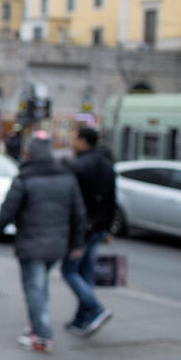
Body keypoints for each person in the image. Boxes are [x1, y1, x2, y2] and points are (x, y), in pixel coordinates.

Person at [0, 132, 86, 354]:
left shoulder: (24, 178)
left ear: (28, 153)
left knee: (35, 289)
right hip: (58, 245)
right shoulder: (66, 176)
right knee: (40, 288)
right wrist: (77, 244)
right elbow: (78, 213)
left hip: (31, 244)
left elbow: (7, 211)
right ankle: (37, 326)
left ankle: (41, 336)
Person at [62, 127, 116, 337]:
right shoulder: (107, 165)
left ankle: (95, 309)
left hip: (81, 230)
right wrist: (108, 228)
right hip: (99, 227)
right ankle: (82, 318)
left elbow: (73, 205)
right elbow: (112, 199)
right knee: (84, 273)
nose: (72, 141)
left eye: (75, 137)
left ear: (83, 141)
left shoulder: (77, 166)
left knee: (70, 271)